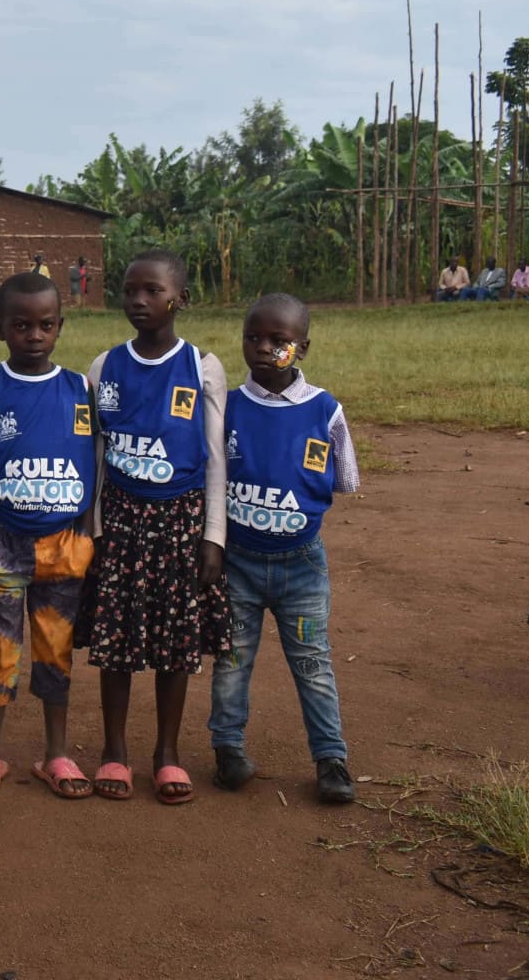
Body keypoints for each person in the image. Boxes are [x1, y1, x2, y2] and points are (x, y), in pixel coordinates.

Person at [86, 250, 231, 804]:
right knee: (116, 642)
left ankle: (167, 752)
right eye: (129, 291)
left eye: (152, 291)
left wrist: (213, 538)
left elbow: (215, 457)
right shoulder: (104, 367)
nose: (139, 302)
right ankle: (114, 750)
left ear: (181, 299)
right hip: (122, 523)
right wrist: (96, 530)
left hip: (181, 524)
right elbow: (98, 454)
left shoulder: (203, 367)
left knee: (177, 644)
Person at [208, 294, 361, 804]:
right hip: (239, 565)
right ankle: (228, 751)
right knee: (232, 660)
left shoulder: (325, 409)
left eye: (278, 340)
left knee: (313, 663)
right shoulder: (227, 406)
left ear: (303, 348)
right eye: (254, 337)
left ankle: (331, 759)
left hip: (301, 566)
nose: (264, 347)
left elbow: (343, 479)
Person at [0, 273, 99, 800]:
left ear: (60, 327)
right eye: (21, 326)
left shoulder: (79, 389)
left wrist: (87, 531)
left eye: (46, 325)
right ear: (1, 329)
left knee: (55, 649)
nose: (34, 335)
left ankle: (57, 753)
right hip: (3, 542)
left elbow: (97, 458)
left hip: (64, 545)